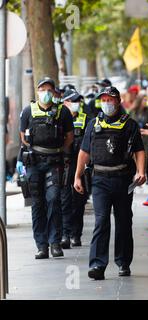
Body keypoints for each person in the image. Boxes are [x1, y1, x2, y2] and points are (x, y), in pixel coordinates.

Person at [73, 86, 146, 280]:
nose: (107, 103)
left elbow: (139, 150)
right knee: (101, 221)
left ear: (118, 101)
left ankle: (123, 262)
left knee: (123, 221)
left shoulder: (129, 125)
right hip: (100, 180)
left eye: (110, 99)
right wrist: (77, 176)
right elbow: (84, 152)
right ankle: (97, 264)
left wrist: (141, 171)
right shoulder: (93, 124)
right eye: (103, 99)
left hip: (123, 179)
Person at [18, 77, 74, 259]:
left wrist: (57, 150)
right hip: (34, 163)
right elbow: (23, 137)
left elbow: (69, 137)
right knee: (38, 203)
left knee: (54, 199)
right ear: (38, 91)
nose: (46, 93)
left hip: (54, 162)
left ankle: (55, 243)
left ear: (54, 92)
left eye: (49, 90)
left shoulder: (62, 112)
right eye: (43, 89)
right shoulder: (28, 111)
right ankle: (41, 245)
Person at [60, 89, 90, 248]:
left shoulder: (86, 119)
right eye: (73, 101)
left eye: (78, 101)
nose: (76, 104)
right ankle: (65, 234)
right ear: (65, 102)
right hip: (64, 164)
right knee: (64, 201)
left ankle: (75, 235)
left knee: (79, 201)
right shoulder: (59, 118)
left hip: (80, 165)